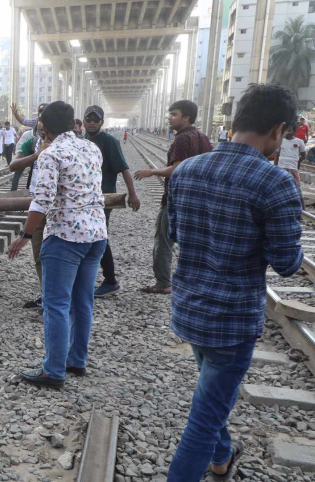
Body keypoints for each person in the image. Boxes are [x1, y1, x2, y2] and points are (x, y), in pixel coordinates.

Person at [165, 83, 303, 481]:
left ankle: (222, 459)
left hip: (190, 311)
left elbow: (175, 235)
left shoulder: (187, 171)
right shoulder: (275, 183)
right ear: (278, 130)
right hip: (232, 321)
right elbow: (287, 264)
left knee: (212, 398)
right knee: (204, 418)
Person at [7, 101, 107, 389]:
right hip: (96, 235)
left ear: (43, 127)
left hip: (65, 238)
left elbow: (43, 199)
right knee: (82, 302)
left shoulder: (51, 154)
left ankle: (52, 370)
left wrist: (25, 236)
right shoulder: (91, 148)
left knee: (56, 305)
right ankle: (76, 360)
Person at [135, 100, 212, 295]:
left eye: (174, 114)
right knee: (193, 243)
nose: (169, 118)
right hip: (198, 199)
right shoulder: (203, 137)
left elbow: (178, 168)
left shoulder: (182, 139)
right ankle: (196, 281)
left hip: (177, 198)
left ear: (186, 117)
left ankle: (163, 283)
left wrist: (152, 171)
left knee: (163, 240)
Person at [82, 105, 141, 297]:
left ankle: (110, 280)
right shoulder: (81, 141)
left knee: (99, 237)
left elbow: (123, 168)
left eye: (95, 120)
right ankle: (87, 278)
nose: (91, 123)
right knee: (88, 236)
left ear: (102, 122)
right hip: (84, 198)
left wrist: (132, 194)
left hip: (104, 199)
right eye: (88, 119)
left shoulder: (108, 141)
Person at [8, 122, 51, 310]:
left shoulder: (67, 146)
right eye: (40, 125)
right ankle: (46, 295)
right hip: (37, 205)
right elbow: (13, 165)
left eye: (47, 125)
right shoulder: (31, 141)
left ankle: (60, 299)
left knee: (60, 255)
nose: (43, 128)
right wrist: (36, 155)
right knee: (39, 253)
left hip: (60, 210)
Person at [275, 123, 306, 189]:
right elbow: (277, 155)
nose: (287, 132)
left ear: (294, 131)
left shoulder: (299, 141)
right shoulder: (280, 141)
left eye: (289, 130)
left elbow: (303, 155)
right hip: (282, 166)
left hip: (293, 167)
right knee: (280, 186)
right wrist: (275, 167)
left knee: (296, 186)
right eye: (285, 130)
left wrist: (298, 162)